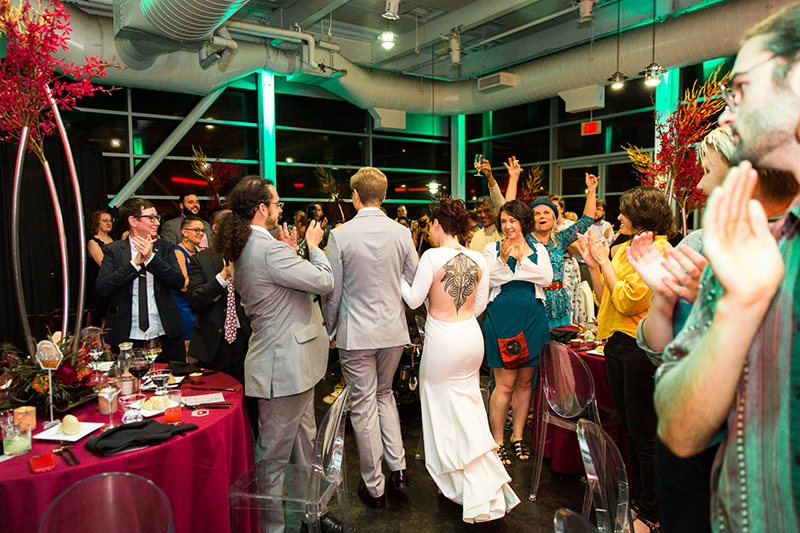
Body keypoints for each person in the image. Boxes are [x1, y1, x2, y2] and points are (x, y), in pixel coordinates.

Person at [655, 5, 800, 531]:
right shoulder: (752, 247)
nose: (725, 117)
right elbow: (678, 431)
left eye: (739, 90)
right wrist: (738, 307)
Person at [215, 176, 341, 533]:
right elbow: (324, 282)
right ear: (262, 209)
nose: (280, 209)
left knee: (305, 443)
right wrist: (313, 247)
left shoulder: (256, 247)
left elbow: (283, 287)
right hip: (283, 367)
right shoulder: (267, 250)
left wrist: (291, 252)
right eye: (277, 203)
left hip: (294, 365)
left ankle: (312, 513)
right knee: (272, 459)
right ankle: (272, 527)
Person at [401, 197, 520, 522]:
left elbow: (412, 298)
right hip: (470, 337)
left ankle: (454, 483)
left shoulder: (432, 256)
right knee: (468, 407)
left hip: (443, 340)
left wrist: (397, 277)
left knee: (440, 409)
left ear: (437, 224)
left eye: (431, 223)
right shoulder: (478, 258)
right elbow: (479, 305)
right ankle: (477, 479)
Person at [575, 186, 674, 533]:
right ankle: (639, 500)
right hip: (616, 344)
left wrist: (605, 262)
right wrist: (595, 266)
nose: (618, 217)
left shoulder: (659, 253)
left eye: (624, 212)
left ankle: (652, 511)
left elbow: (630, 301)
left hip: (640, 348)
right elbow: (607, 298)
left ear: (641, 217)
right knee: (629, 429)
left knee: (644, 433)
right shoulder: (625, 249)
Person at [324, 167, 418, 509]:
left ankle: (374, 485)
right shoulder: (402, 233)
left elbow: (333, 291)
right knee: (385, 394)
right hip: (392, 330)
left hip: (356, 332)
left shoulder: (340, 235)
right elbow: (413, 279)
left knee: (363, 405)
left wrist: (329, 329)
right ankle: (399, 467)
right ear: (384, 195)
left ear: (355, 196)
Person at [482, 200, 553, 464]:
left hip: (533, 320)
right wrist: (503, 260)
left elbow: (546, 279)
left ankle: (518, 436)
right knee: (504, 384)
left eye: (512, 220)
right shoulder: (491, 249)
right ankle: (497, 440)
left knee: (525, 383)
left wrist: (521, 259)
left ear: (523, 222)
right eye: (503, 221)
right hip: (502, 320)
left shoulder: (539, 248)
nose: (507, 226)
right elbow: (487, 280)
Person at [96, 198, 186, 362]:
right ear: (133, 221)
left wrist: (151, 259)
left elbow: (178, 281)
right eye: (151, 217)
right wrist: (134, 264)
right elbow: (103, 287)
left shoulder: (165, 247)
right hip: (127, 336)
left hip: (165, 333)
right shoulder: (114, 250)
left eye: (157, 217)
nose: (156, 222)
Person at [521, 173, 598, 329]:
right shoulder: (524, 240)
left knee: (560, 340)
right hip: (534, 299)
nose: (541, 217)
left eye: (546, 213)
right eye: (536, 213)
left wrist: (591, 190)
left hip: (559, 301)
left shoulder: (561, 238)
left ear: (554, 218)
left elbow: (586, 221)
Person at [186, 207, 252, 385]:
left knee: (248, 394)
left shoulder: (248, 255)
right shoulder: (201, 260)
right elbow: (194, 300)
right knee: (216, 390)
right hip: (213, 342)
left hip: (246, 338)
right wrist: (223, 276)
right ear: (215, 229)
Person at [469, 157, 520, 252]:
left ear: (496, 209)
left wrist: (490, 177)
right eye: (479, 212)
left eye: (487, 210)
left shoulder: (504, 230)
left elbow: (499, 200)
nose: (483, 215)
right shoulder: (476, 236)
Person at [548, 194, 584, 323]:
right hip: (549, 266)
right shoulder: (544, 225)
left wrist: (561, 239)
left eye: (555, 206)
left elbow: (579, 249)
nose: (552, 210)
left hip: (566, 265)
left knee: (568, 300)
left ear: (562, 209)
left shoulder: (568, 224)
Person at [173, 216, 204, 352]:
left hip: (197, 303)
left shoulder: (198, 251)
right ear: (184, 232)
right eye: (196, 230)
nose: (200, 233)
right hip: (184, 306)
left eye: (202, 230)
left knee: (198, 347)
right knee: (188, 346)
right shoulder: (178, 252)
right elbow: (183, 285)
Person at [86, 209, 114, 327]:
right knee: (104, 317)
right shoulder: (93, 242)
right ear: (96, 223)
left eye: (110, 220)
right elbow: (103, 264)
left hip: (114, 283)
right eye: (105, 220)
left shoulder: (113, 240)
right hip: (102, 283)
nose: (108, 223)